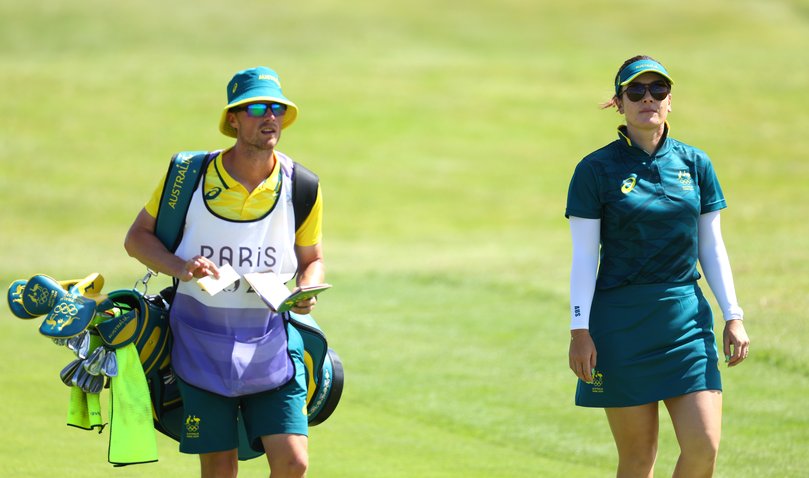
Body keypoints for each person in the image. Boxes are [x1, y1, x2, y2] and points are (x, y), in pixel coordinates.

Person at [125, 66, 324, 478]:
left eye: (276, 108)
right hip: (198, 345)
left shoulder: (301, 184)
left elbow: (312, 258)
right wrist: (181, 268)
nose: (270, 116)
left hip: (271, 345)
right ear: (233, 118)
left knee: (293, 462)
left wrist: (306, 288)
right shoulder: (189, 176)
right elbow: (138, 238)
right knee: (220, 469)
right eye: (255, 107)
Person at [565, 55, 750, 477]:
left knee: (703, 446)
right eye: (636, 91)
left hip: (684, 319)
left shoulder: (696, 164)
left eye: (658, 90)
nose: (648, 98)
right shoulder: (595, 170)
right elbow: (583, 258)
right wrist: (579, 330)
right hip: (621, 326)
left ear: (669, 101)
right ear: (619, 102)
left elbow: (712, 244)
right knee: (637, 459)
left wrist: (733, 314)